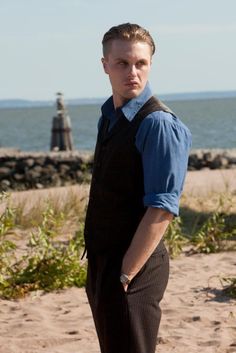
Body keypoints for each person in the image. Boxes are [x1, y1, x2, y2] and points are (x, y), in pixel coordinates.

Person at [83, 23, 192, 353]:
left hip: (134, 268)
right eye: (122, 63)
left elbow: (161, 208)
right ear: (105, 65)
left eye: (141, 63)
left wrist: (125, 274)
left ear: (150, 64)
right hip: (103, 264)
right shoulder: (109, 116)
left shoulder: (158, 123)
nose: (133, 72)